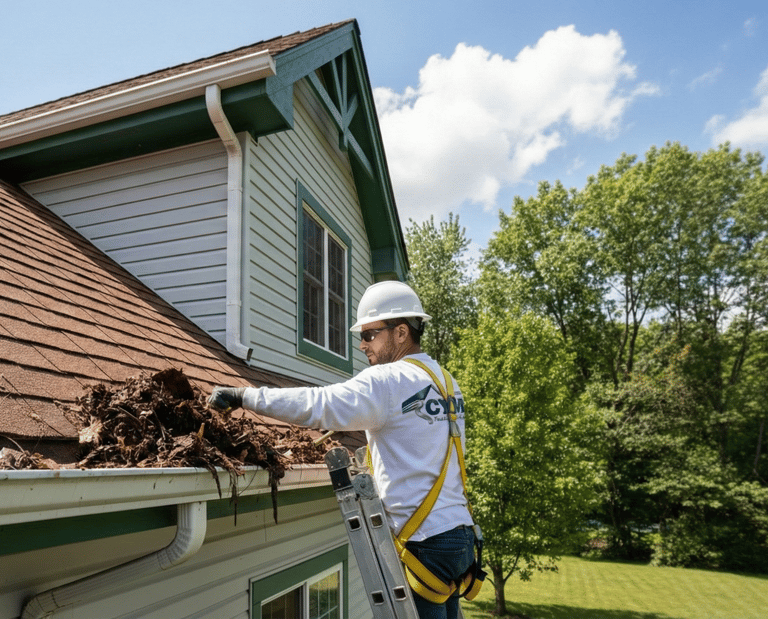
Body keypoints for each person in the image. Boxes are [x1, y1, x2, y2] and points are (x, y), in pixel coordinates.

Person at [208, 281, 482, 619]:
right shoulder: (446, 381)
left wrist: (243, 396)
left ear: (400, 332)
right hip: (459, 536)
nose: (362, 344)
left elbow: (318, 403)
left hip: (423, 543)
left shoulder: (387, 380)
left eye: (369, 334)